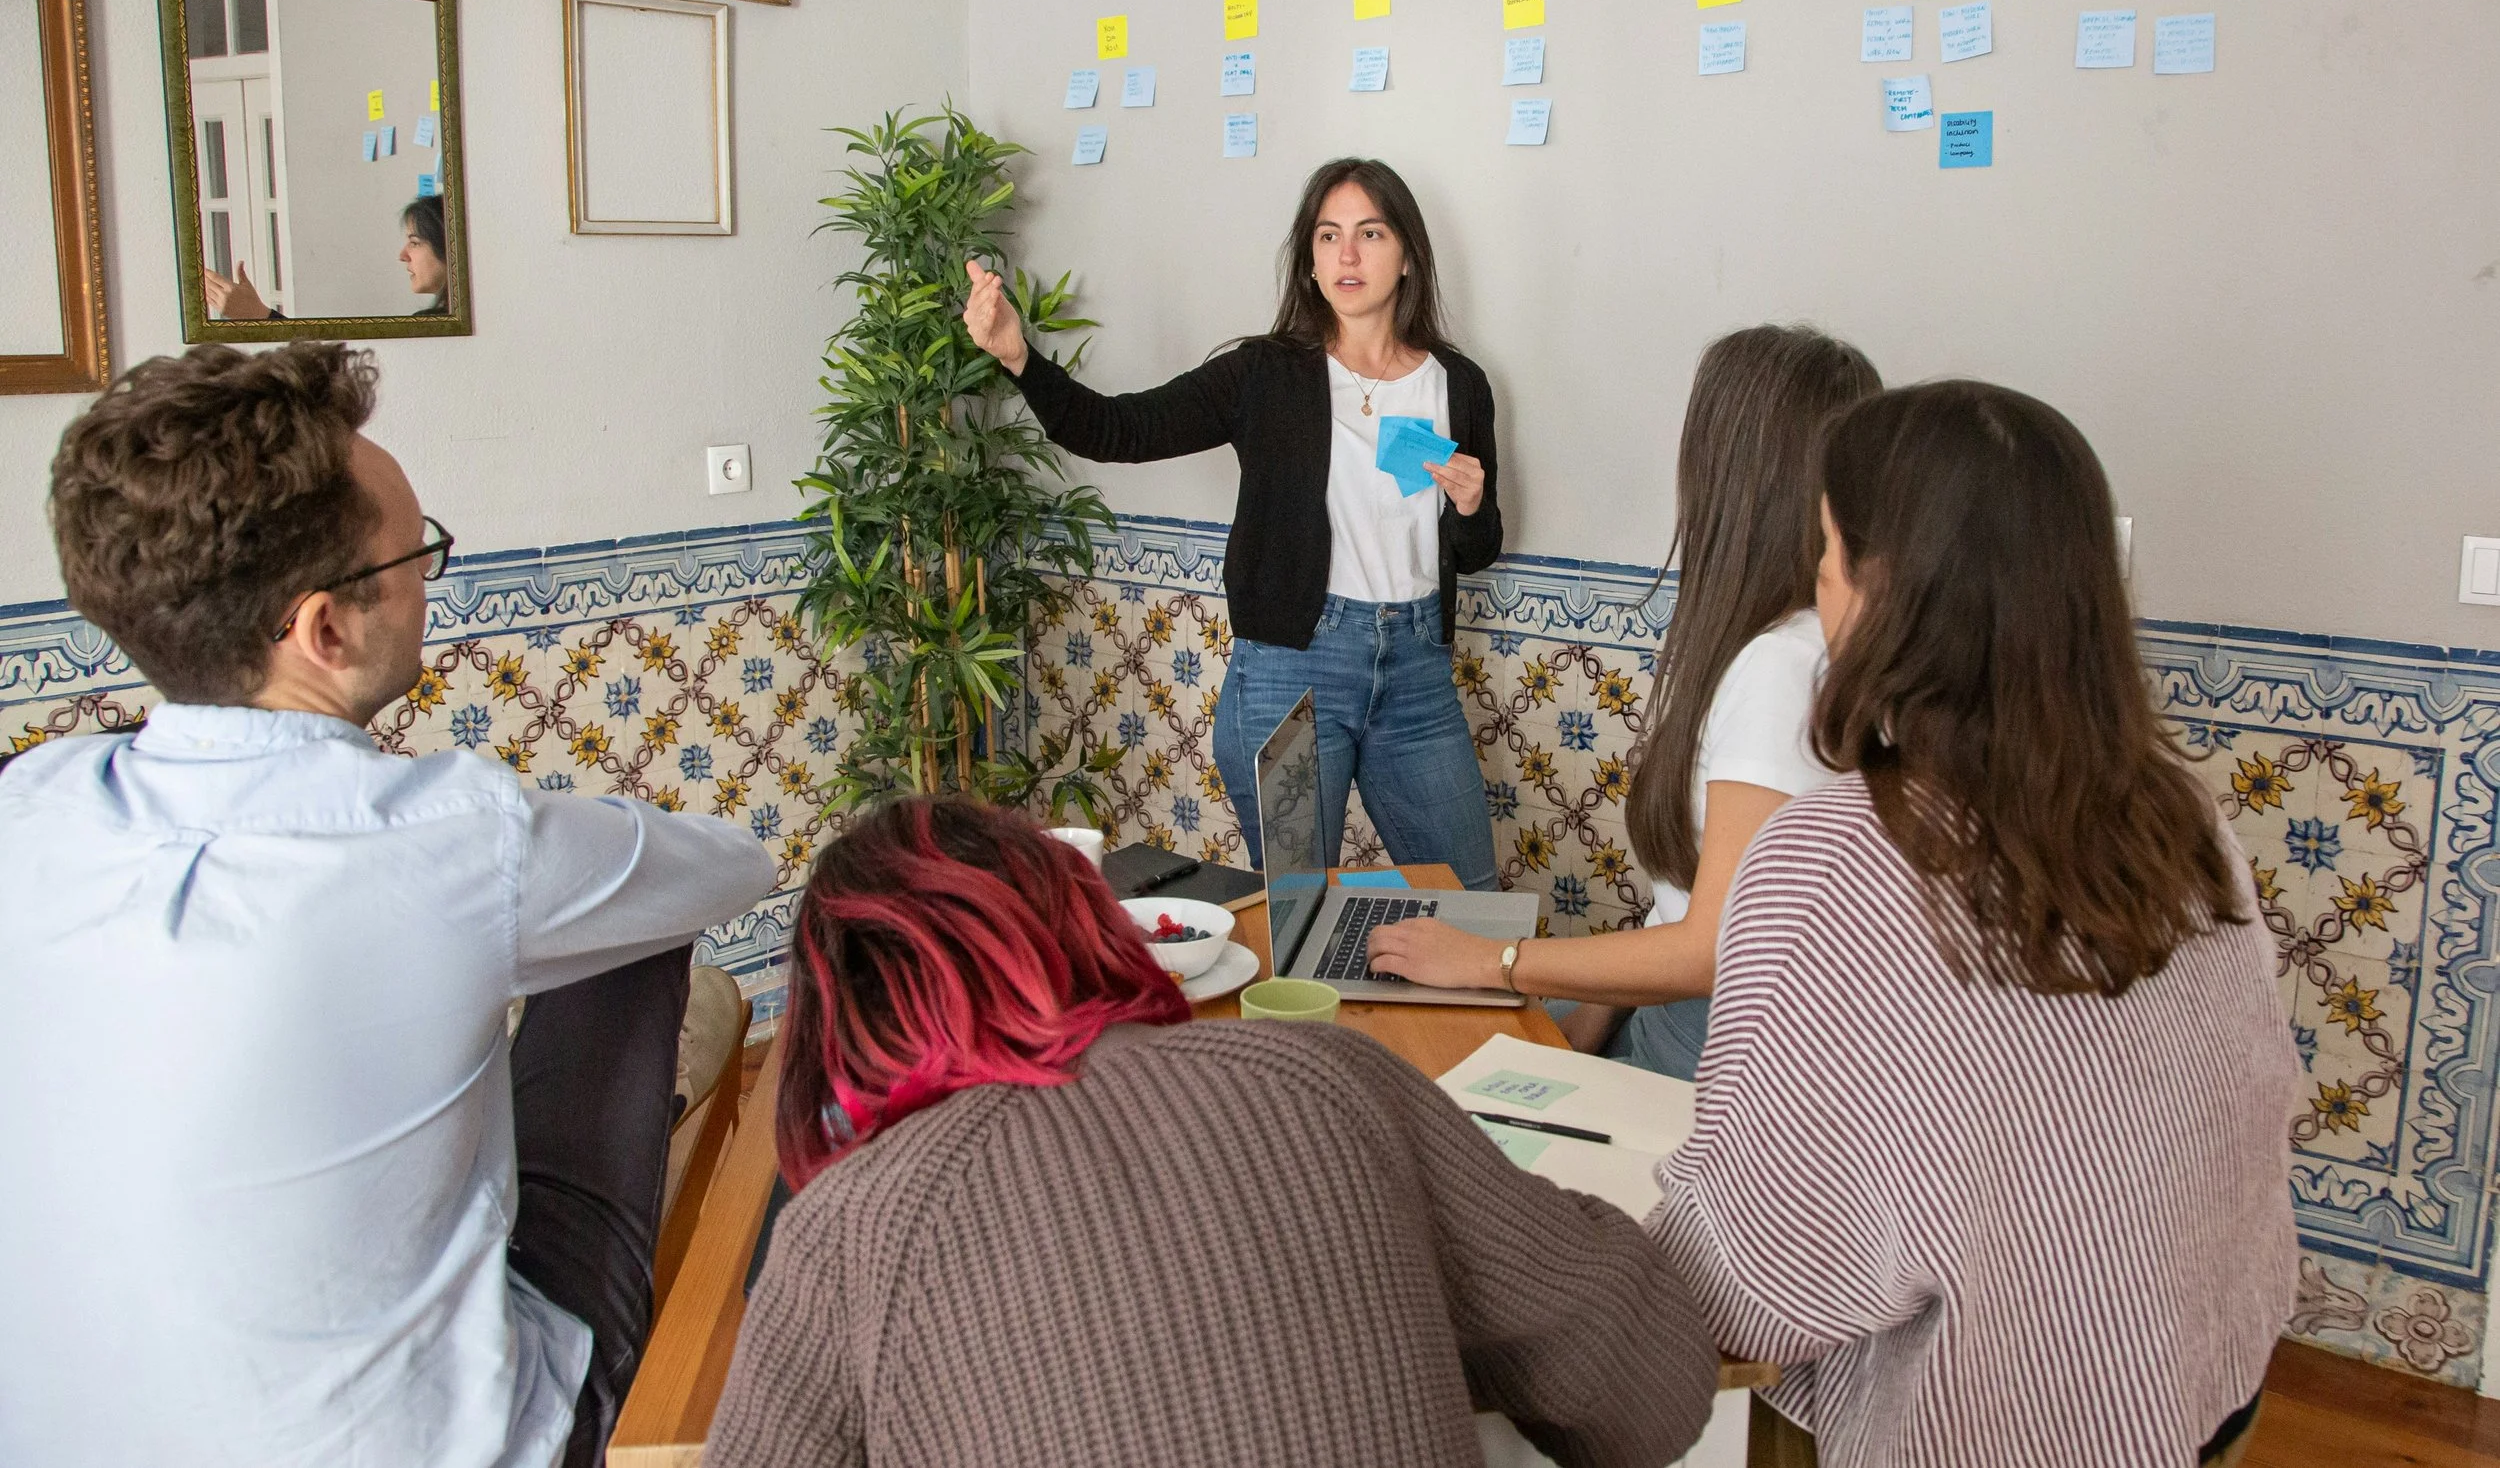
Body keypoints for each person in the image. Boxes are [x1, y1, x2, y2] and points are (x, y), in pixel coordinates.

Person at [0, 342, 777, 1468]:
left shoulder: (33, 803)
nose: (428, 578)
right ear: (325, 629)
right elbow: (732, 867)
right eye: (421, 553)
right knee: (632, 930)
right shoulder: (452, 836)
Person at [1644, 381, 2299, 1467]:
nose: (1815, 579)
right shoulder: (2178, 811)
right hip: (2207, 1388)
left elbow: (1749, 1287)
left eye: (1825, 550)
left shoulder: (1827, 859)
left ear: (1883, 588)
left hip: (1994, 1425)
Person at [706, 796, 1719, 1468]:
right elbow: (1651, 1392)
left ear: (830, 1023)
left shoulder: (844, 1230)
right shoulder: (1328, 1076)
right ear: (1088, 921)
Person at [962, 158, 1503, 887]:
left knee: (1471, 900)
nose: (1347, 255)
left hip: (1416, 671)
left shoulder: (1458, 384)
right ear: (1309, 260)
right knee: (1301, 906)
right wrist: (1019, 358)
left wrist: (1470, 507)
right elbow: (1116, 429)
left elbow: (1476, 550)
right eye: (1328, 235)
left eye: (1370, 234)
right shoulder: (1264, 375)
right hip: (1292, 670)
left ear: (1407, 255)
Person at [1369, 326, 1880, 1074]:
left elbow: (1709, 949)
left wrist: (1493, 961)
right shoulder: (1779, 641)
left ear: (1738, 472)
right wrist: (1591, 1021)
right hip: (1670, 1021)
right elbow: (1689, 897)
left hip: (1705, 1044)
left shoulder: (1783, 666)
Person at [206, 193, 451, 318]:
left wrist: (258, 315)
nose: (403, 255)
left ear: (446, 246)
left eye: (415, 243)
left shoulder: (438, 323)